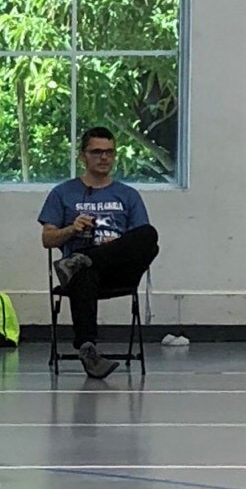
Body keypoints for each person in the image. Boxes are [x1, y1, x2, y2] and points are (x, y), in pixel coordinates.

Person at [38, 127, 161, 381]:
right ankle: (88, 350)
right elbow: (47, 239)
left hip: (118, 269)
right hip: (82, 274)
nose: (104, 158)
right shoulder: (63, 193)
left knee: (149, 236)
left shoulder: (128, 195)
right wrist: (72, 228)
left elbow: (142, 241)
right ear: (83, 156)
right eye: (97, 152)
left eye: (109, 152)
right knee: (83, 271)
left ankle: (85, 259)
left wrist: (118, 243)